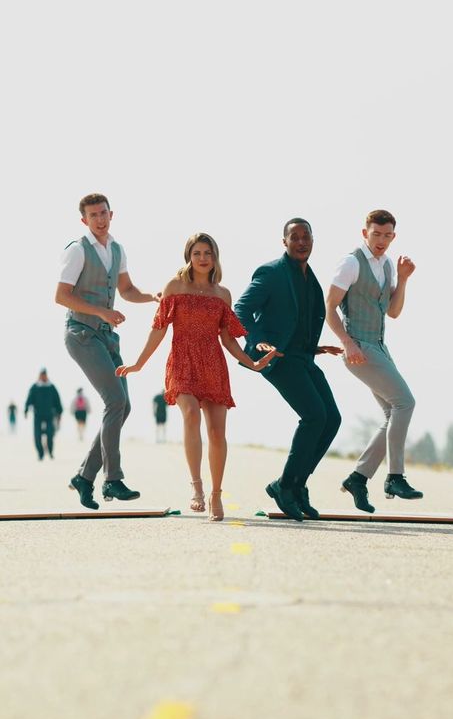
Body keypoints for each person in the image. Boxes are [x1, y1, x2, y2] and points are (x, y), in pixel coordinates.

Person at [116, 232, 280, 521]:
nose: (203, 258)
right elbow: (159, 328)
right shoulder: (174, 286)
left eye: (208, 253)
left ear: (215, 257)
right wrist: (139, 363)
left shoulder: (222, 294)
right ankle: (197, 487)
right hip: (182, 360)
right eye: (197, 253)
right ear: (188, 257)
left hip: (213, 364)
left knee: (217, 433)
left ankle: (216, 493)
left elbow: (229, 340)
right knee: (190, 413)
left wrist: (252, 363)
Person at [55, 193, 159, 510]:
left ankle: (85, 478)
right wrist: (101, 311)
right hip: (81, 333)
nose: (100, 219)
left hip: (106, 337)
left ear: (111, 214)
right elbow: (62, 296)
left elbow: (126, 290)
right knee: (115, 401)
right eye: (93, 215)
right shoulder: (77, 250)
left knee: (123, 407)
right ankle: (112, 479)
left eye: (103, 213)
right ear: (84, 220)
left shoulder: (116, 249)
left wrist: (153, 296)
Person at [234, 218, 343, 522]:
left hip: (303, 358)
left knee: (332, 419)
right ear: (284, 242)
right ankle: (284, 486)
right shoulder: (271, 273)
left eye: (305, 237)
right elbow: (240, 309)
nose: (300, 242)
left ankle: (296, 485)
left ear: (312, 241)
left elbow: (299, 321)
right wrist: (258, 342)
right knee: (314, 416)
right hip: (278, 359)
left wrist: (316, 347)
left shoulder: (311, 279)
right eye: (294, 237)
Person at [325, 209, 422, 512]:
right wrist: (348, 344)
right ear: (364, 233)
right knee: (405, 403)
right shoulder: (351, 263)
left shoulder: (388, 265)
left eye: (387, 235)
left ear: (393, 236)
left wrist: (403, 279)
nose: (381, 240)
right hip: (360, 347)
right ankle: (394, 476)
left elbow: (392, 312)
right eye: (376, 234)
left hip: (379, 346)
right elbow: (329, 309)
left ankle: (358, 478)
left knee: (394, 412)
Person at [24, 368, 63, 460]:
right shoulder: (35, 387)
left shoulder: (52, 387)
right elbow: (29, 399)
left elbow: (57, 401)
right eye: (41, 375)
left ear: (46, 375)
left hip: (50, 415)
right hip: (37, 415)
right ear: (39, 376)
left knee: (50, 435)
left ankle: (50, 452)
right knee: (37, 436)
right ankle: (40, 453)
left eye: (44, 375)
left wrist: (59, 413)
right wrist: (26, 410)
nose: (43, 376)